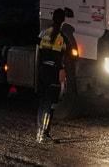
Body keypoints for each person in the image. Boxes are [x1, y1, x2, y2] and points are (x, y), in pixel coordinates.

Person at [35, 8, 73, 143]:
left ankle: (39, 132)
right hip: (54, 72)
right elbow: (61, 57)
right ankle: (44, 134)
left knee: (42, 102)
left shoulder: (43, 33)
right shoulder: (62, 38)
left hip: (43, 71)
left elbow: (39, 54)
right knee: (50, 105)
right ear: (63, 20)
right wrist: (62, 71)